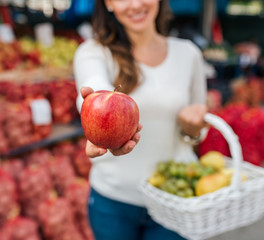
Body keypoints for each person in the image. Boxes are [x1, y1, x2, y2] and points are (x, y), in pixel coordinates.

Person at [74, 0, 208, 239]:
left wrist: (192, 130)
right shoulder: (93, 52)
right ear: (109, 3)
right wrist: (97, 108)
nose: (135, 4)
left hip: (174, 197)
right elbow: (94, 87)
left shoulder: (188, 54)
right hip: (114, 201)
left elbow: (200, 122)